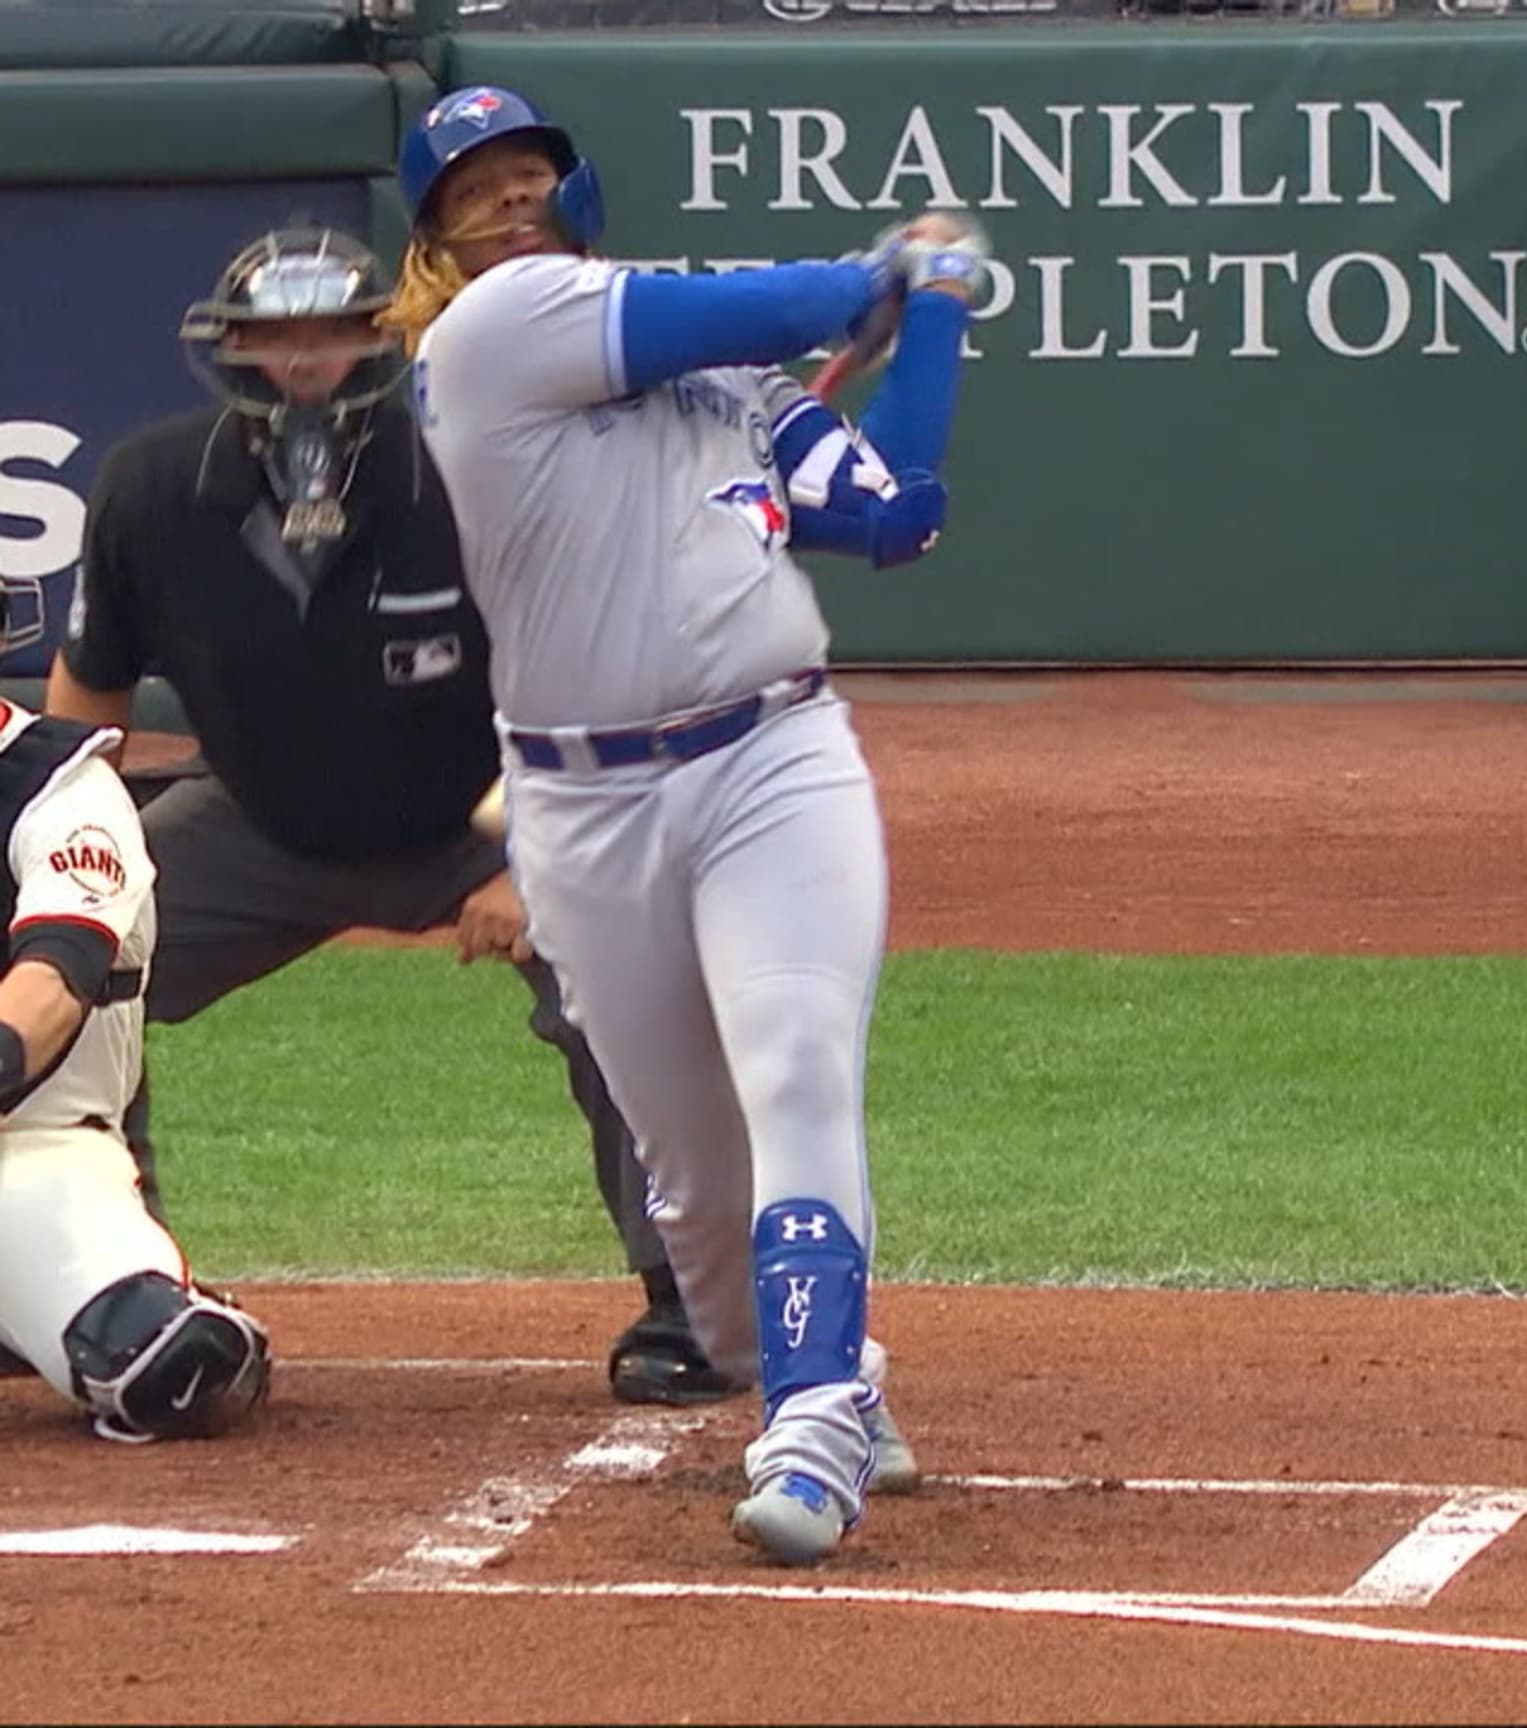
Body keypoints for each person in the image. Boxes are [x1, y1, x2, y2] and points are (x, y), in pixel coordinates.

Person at [386, 84, 976, 1562]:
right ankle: (817, 1362)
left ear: (575, 190)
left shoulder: (733, 395)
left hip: (774, 760)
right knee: (701, 1211)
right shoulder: (492, 335)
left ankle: (818, 1422)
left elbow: (895, 513)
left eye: (530, 172)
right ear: (440, 241)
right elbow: (784, 302)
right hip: (586, 805)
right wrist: (888, 272)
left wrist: (943, 313)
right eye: (474, 188)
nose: (510, 198)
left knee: (794, 1067)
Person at [44, 225, 720, 1407]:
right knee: (62, 967)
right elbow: (87, 703)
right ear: (231, 352)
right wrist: (66, 869)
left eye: (332, 331)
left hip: (482, 814)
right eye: (274, 338)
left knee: (627, 967)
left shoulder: (479, 475)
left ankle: (697, 1297)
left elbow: (586, 685)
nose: (304, 362)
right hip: (259, 817)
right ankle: (100, 1288)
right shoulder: (151, 485)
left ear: (382, 341)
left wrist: (525, 860)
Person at [0, 695, 271, 1445]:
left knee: (162, 1360)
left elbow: (52, 985)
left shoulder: (60, 789)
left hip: (29, 1148)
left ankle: (97, 1290)